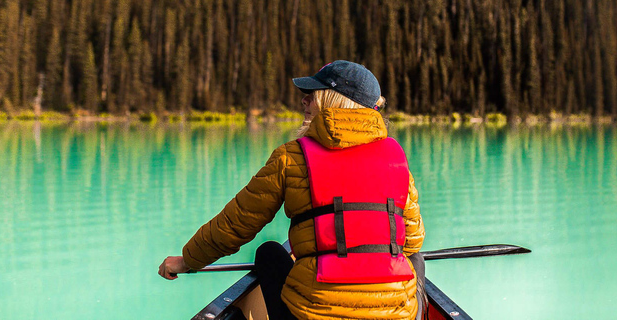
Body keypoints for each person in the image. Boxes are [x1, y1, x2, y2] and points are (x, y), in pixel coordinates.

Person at [159, 60, 426, 319]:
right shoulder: (396, 159)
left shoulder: (292, 156)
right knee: (416, 260)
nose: (304, 100)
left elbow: (235, 225)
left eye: (312, 94)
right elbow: (413, 241)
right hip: (395, 314)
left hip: (311, 314)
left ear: (333, 101)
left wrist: (187, 260)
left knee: (268, 253)